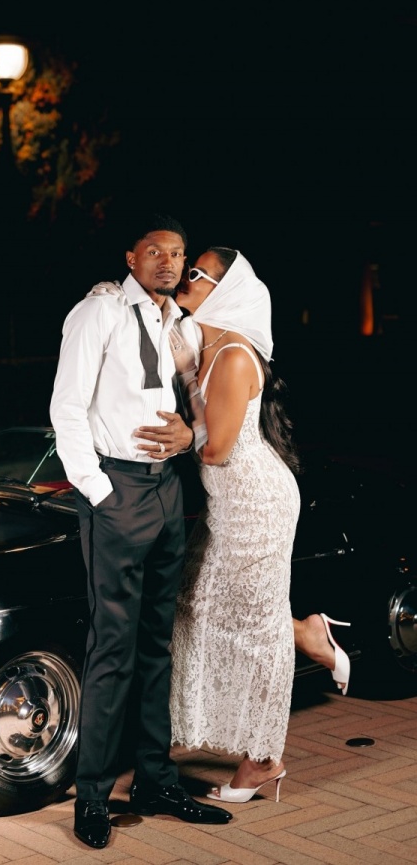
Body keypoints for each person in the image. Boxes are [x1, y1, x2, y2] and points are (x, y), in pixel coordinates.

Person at [49, 215, 233, 850]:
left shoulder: (178, 325)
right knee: (112, 649)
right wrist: (98, 492)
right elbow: (67, 408)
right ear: (131, 257)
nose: (168, 262)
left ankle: (155, 782)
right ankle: (93, 796)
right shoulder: (97, 313)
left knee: (158, 644)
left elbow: (202, 407)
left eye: (177, 254)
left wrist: (191, 435)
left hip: (167, 490)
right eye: (155, 251)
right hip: (117, 490)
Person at [133, 246, 304, 803]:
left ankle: (263, 760)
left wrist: (186, 430)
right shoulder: (205, 343)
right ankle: (196, 729)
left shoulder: (232, 355)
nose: (185, 276)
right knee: (193, 607)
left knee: (258, 628)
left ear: (224, 290)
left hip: (257, 503)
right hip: (227, 503)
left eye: (197, 273)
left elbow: (215, 449)